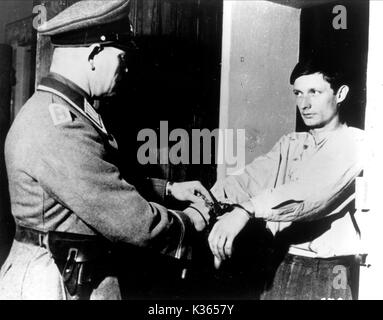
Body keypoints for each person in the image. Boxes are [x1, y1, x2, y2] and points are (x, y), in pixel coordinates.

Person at [0, 0, 211, 300]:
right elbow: (128, 219)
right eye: (122, 57)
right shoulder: (59, 125)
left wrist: (169, 189)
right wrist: (190, 221)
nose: (125, 69)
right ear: (94, 55)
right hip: (54, 282)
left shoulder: (63, 111)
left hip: (67, 273)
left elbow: (97, 177)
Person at [193, 57, 366, 300]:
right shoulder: (292, 143)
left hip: (325, 271)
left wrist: (244, 211)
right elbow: (250, 179)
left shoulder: (355, 144)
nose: (304, 103)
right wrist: (203, 206)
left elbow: (309, 193)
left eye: (314, 92)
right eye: (298, 93)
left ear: (341, 94)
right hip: (279, 264)